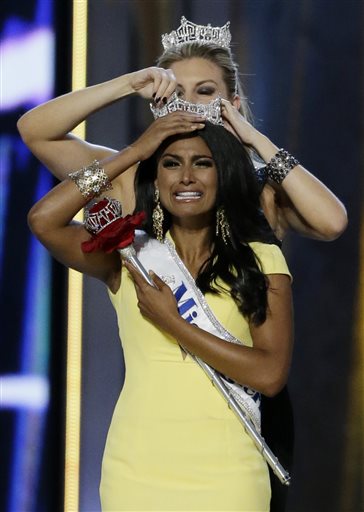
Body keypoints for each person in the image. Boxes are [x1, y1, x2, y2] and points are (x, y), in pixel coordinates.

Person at [19, 17, 347, 510]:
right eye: (175, 92)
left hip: (235, 434)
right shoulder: (135, 177)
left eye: (206, 92)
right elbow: (35, 133)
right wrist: (130, 86)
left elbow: (332, 222)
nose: (189, 106)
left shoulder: (265, 188)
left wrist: (253, 138)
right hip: (139, 461)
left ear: (233, 103)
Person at [28, 114, 293, 510]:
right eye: (171, 163)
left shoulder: (259, 257)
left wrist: (174, 323)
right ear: (156, 175)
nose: (186, 176)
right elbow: (44, 220)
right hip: (135, 472)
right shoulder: (129, 255)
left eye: (202, 163)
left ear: (223, 174)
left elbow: (270, 375)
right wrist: (133, 152)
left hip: (228, 476)